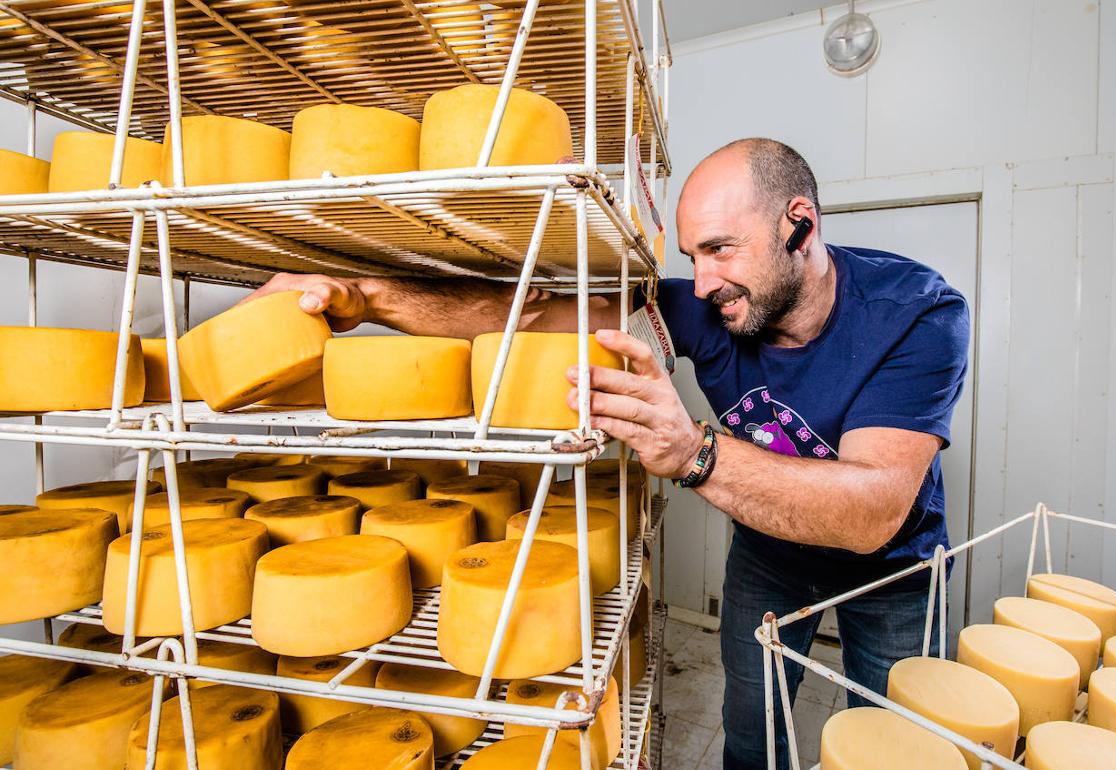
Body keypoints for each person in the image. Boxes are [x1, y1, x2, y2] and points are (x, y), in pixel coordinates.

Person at [245, 138, 969, 768]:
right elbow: (522, 314)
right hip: (770, 556)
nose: (705, 280)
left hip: (892, 575)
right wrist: (365, 295)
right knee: (752, 730)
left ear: (799, 225)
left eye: (720, 248)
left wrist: (694, 452)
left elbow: (871, 511)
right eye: (693, 256)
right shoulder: (704, 306)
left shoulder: (916, 315)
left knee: (902, 741)